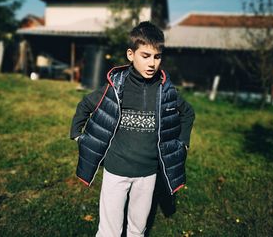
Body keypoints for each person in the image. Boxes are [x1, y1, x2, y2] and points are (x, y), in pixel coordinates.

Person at [70, 21, 195, 237]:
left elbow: (188, 113)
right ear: (131, 54)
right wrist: (77, 135)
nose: (152, 63)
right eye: (145, 56)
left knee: (137, 229)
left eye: (157, 57)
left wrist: (183, 143)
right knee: (109, 230)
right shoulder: (116, 87)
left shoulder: (165, 91)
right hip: (116, 170)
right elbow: (85, 105)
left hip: (148, 174)